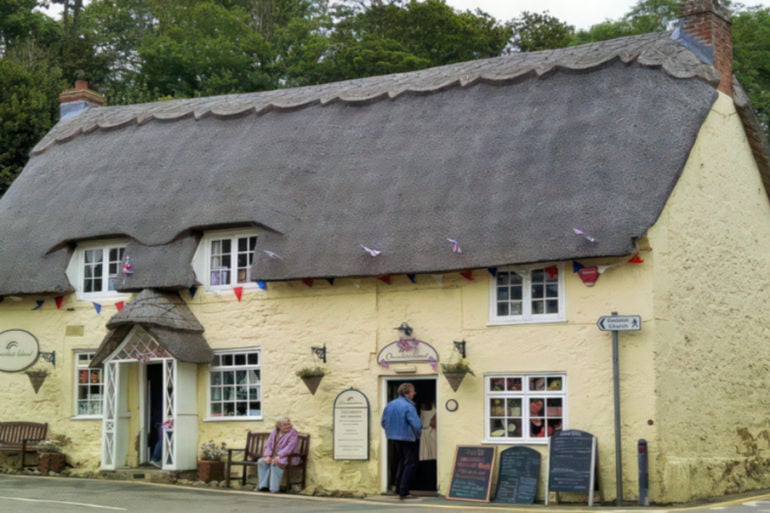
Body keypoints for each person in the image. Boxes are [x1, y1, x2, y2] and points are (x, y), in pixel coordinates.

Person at [381, 383, 422, 500]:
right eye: (412, 391)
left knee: (402, 462)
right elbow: (417, 425)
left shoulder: (390, 405)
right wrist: (417, 435)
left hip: (393, 438)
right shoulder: (409, 406)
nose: (414, 393)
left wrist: (391, 432)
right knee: (410, 464)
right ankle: (404, 492)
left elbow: (383, 422)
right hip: (408, 438)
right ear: (406, 393)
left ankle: (398, 487)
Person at [257, 418, 299, 493]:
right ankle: (263, 486)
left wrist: (280, 455)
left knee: (275, 462)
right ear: (279, 426)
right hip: (274, 455)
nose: (287, 426)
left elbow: (290, 447)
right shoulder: (274, 432)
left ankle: (274, 488)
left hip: (289, 456)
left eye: (288, 424)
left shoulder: (293, 433)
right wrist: (267, 455)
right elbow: (269, 444)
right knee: (261, 461)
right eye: (285, 425)